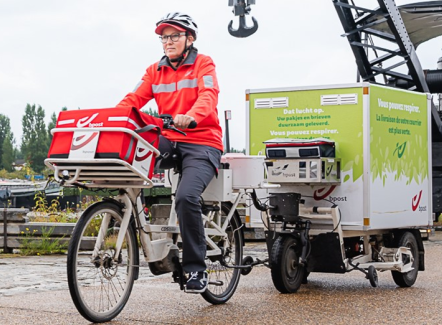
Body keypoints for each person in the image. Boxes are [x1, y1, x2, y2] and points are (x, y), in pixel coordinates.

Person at [117, 12, 223, 293]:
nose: (168, 42)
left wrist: (191, 116)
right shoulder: (155, 70)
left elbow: (208, 96)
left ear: (189, 39)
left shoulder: (204, 63)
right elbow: (133, 100)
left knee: (187, 197)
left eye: (174, 35)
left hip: (202, 141)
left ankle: (196, 269)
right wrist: (113, 118)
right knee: (128, 156)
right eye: (164, 37)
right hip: (169, 138)